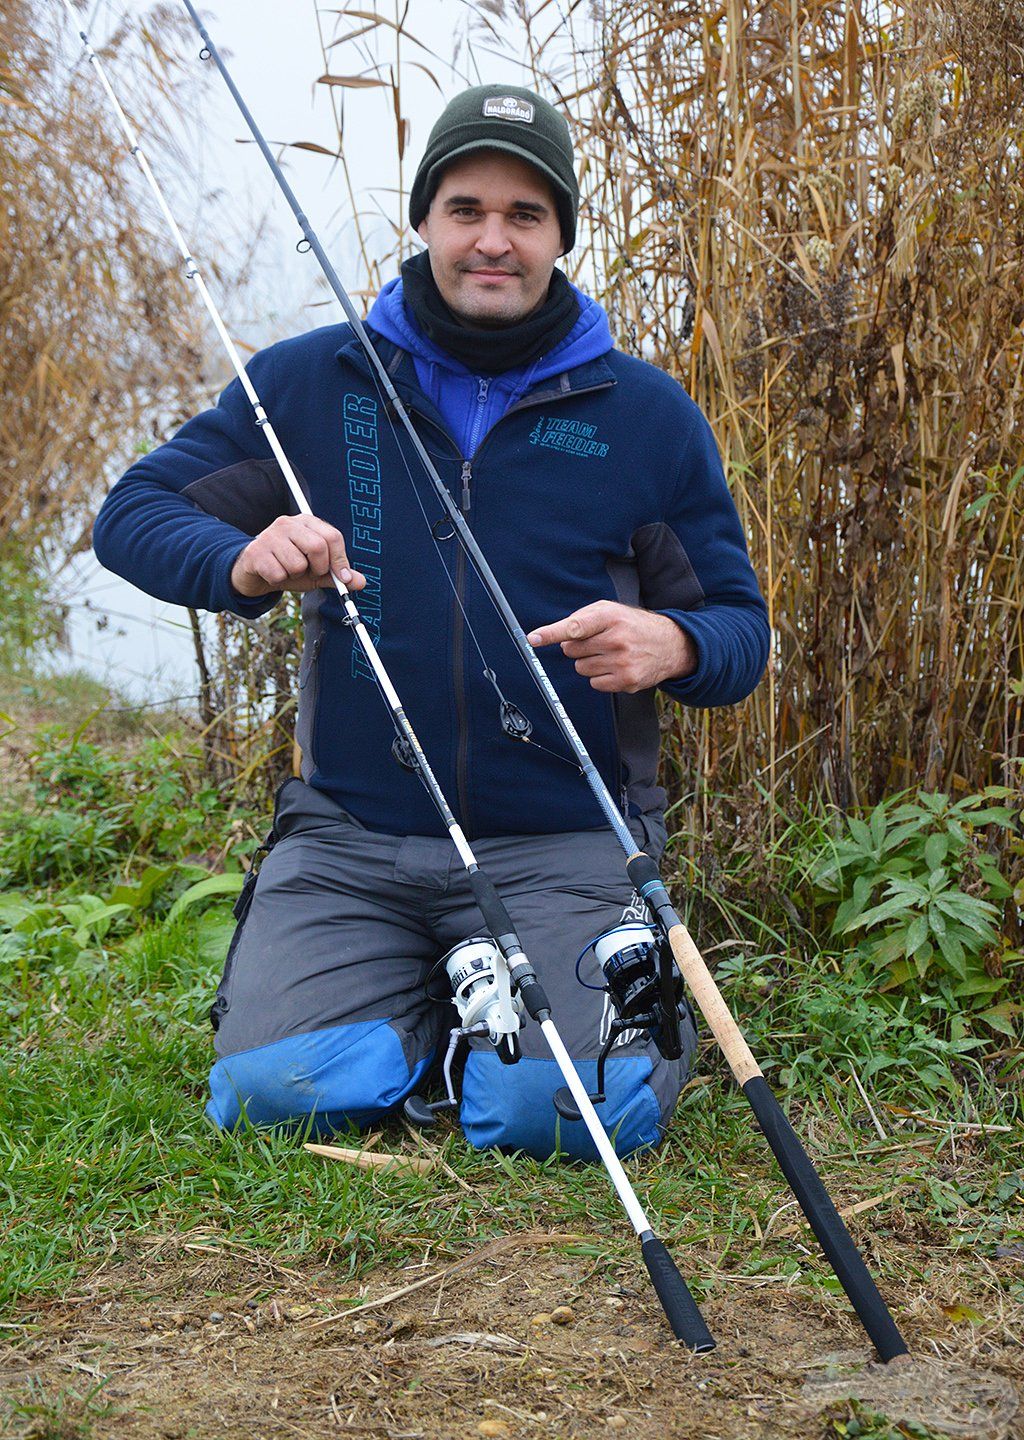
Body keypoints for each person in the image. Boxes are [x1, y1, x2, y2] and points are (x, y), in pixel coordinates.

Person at [93, 84, 770, 1160]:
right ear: (424, 220)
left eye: (524, 214)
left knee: (575, 1117)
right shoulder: (314, 383)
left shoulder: (646, 418)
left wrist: (675, 645)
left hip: (567, 843)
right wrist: (240, 560)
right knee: (280, 1096)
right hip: (349, 839)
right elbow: (130, 516)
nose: (491, 241)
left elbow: (739, 632)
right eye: (465, 209)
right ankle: (427, 993)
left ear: (560, 234)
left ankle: (495, 1024)